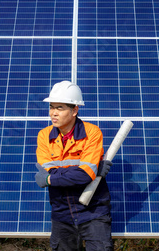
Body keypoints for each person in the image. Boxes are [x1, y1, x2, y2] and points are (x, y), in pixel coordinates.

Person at [35, 81, 113, 251]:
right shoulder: (43, 136)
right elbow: (79, 175)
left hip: (93, 212)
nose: (53, 113)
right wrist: (88, 171)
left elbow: (83, 176)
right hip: (61, 213)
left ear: (75, 110)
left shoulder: (92, 133)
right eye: (51, 107)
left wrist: (50, 179)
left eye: (60, 108)